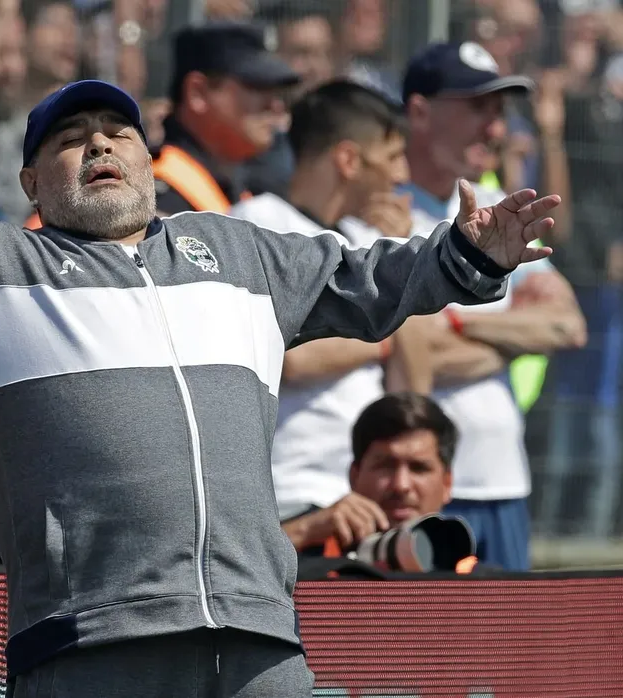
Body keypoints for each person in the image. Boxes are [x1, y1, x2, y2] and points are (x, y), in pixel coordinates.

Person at [0, 56, 558, 697]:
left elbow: (372, 284)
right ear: (31, 180)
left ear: (146, 160)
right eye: (69, 140)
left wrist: (468, 257)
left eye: (116, 134)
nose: (98, 146)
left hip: (260, 642)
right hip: (89, 649)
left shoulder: (242, 253)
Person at [400, 41, 586, 570]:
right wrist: (508, 328)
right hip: (419, 492)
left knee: (509, 651)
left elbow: (568, 324)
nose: (497, 129)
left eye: (500, 112)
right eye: (477, 109)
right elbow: (410, 354)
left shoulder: (496, 208)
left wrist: (460, 323)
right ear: (419, 110)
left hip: (505, 485)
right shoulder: (380, 217)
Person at [229, 79, 433, 536]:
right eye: (393, 157)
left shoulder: (367, 243)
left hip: (371, 504)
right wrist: (381, 336)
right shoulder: (254, 224)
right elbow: (285, 356)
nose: (402, 177)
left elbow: (414, 387)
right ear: (348, 160)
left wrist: (403, 257)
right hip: (288, 501)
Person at [284, 392, 477, 573]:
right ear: (354, 476)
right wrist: (303, 531)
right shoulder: (310, 544)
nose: (401, 485)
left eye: (419, 468)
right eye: (385, 466)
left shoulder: (473, 577)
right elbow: (253, 563)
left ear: (447, 483)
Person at [153, 21, 299, 216]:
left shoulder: (242, 191)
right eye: (257, 86)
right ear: (197, 93)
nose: (276, 105)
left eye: (275, 91)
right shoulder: (154, 196)